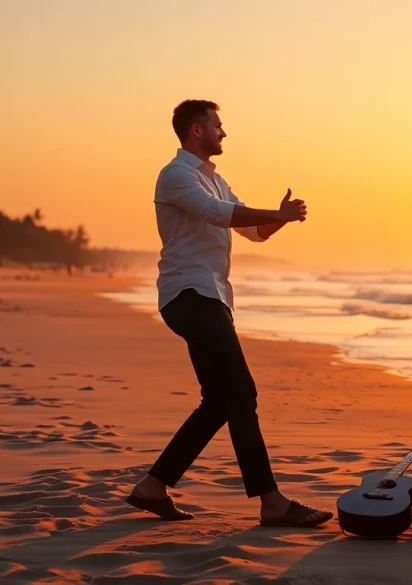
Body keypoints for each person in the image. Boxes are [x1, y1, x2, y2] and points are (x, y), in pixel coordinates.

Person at [126, 99, 333, 527]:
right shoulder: (176, 175)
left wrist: (280, 219)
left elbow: (251, 231)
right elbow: (216, 215)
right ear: (196, 130)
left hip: (210, 296)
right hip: (190, 294)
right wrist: (275, 212)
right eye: (217, 125)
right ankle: (271, 502)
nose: (223, 132)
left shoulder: (216, 180)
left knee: (220, 399)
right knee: (241, 391)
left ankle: (153, 486)